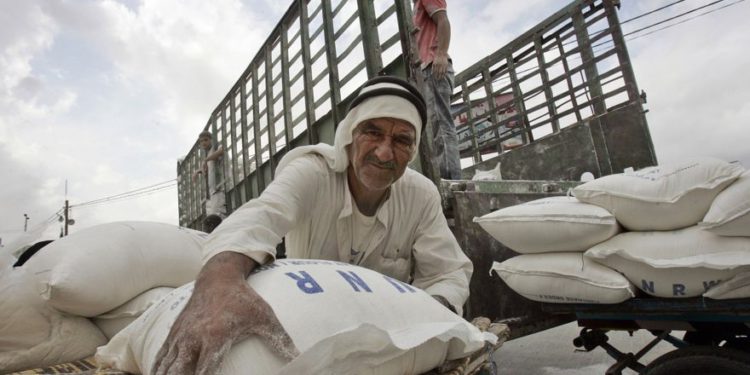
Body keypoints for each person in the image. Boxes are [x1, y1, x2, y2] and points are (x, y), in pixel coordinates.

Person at [153, 76, 473, 374]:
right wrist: (219, 283)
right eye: (372, 132)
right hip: (312, 324)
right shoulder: (313, 173)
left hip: (386, 334)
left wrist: (427, 314)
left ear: (413, 150)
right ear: (349, 134)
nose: (384, 152)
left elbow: (447, 272)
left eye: (402, 140)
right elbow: (260, 217)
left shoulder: (420, 195)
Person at [413, 0, 462, 180]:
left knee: (441, 126)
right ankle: (444, 178)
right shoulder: (416, 6)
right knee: (435, 128)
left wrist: (441, 54)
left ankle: (451, 181)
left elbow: (443, 20)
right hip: (428, 69)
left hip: (435, 66)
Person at [193, 130, 227, 232]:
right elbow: (206, 168)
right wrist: (197, 171)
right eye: (201, 141)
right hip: (211, 192)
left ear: (211, 140)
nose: (203, 143)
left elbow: (222, 150)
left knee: (218, 216)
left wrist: (206, 160)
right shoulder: (207, 154)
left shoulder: (215, 147)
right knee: (211, 219)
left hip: (218, 188)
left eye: (206, 140)